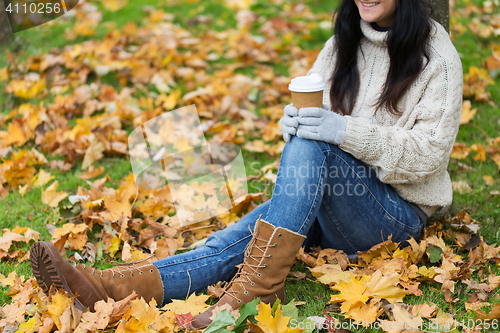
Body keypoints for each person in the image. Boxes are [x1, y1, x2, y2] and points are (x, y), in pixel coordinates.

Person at [29, 0, 463, 329]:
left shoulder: (436, 59)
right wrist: (293, 124)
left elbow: (428, 157)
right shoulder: (342, 43)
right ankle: (105, 288)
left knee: (315, 150)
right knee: (228, 245)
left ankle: (254, 291)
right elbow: (317, 122)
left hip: (394, 217)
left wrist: (339, 130)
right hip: (334, 198)